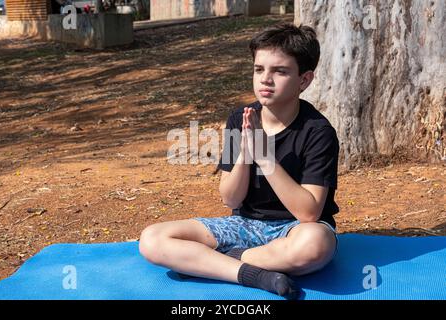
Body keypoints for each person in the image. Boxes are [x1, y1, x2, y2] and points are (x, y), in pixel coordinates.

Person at [139, 23, 340, 299]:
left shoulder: (318, 132)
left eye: (279, 71)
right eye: (259, 69)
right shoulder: (240, 119)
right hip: (245, 224)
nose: (265, 80)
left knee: (316, 245)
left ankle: (214, 261)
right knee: (152, 240)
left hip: (295, 229)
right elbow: (231, 200)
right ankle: (253, 274)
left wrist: (264, 155)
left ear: (304, 80)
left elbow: (308, 213)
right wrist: (246, 153)